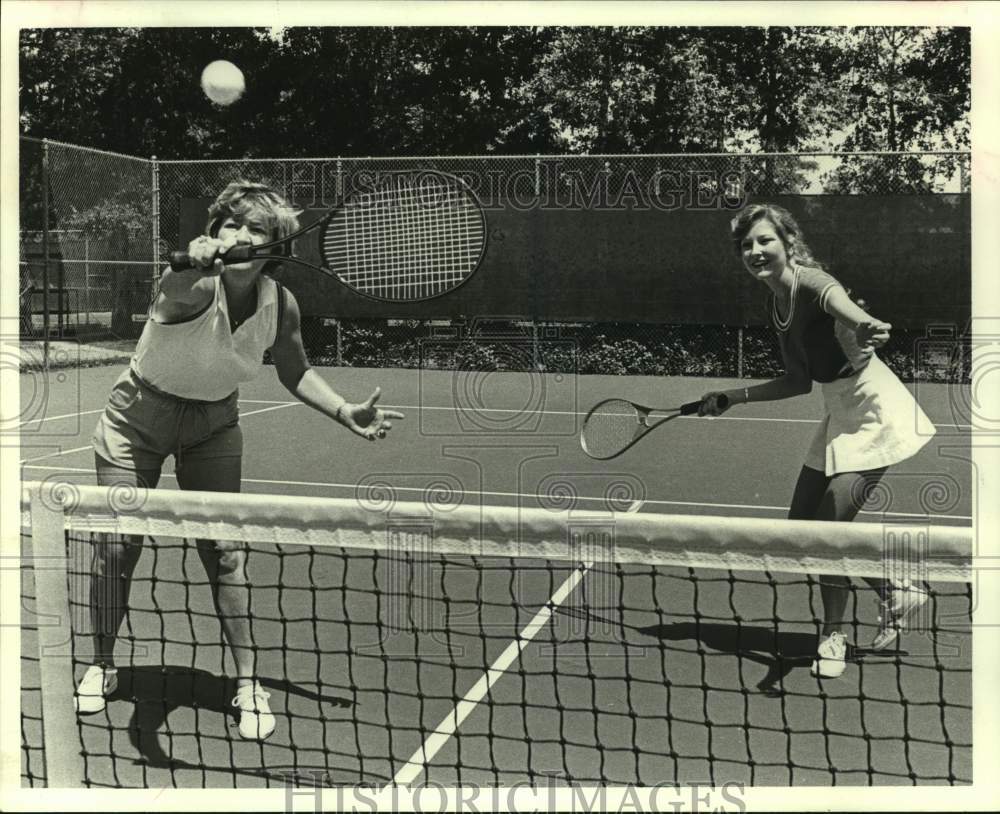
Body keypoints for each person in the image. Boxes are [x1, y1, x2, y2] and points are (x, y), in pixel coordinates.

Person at [77, 180, 405, 738]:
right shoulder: (191, 284)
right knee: (116, 545)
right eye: (231, 224)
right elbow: (173, 288)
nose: (241, 234)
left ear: (274, 247)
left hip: (213, 425)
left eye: (256, 228)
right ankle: (102, 663)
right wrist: (190, 264)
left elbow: (294, 370)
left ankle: (247, 682)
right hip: (136, 422)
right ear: (213, 234)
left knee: (225, 551)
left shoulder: (281, 303)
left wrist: (344, 411)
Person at [700, 203, 934, 678]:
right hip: (837, 408)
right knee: (799, 530)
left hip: (876, 410)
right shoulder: (776, 304)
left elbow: (838, 302)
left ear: (788, 243)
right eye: (746, 245)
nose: (755, 250)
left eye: (765, 240)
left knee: (828, 528)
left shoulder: (810, 282)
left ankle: (834, 636)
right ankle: (897, 590)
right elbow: (798, 381)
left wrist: (864, 323)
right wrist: (733, 396)